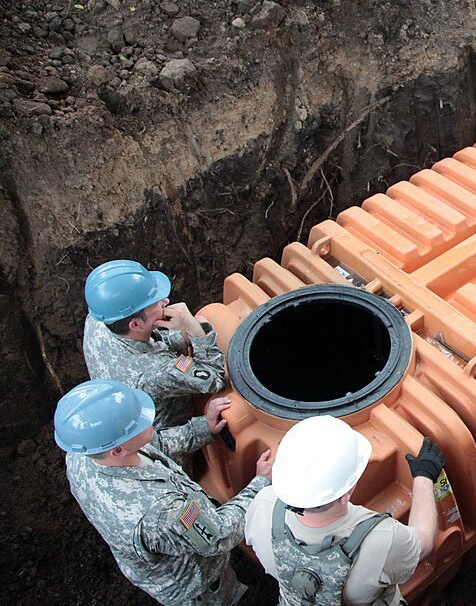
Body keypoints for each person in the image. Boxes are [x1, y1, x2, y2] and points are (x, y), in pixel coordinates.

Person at [55, 379, 274, 605]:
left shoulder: (87, 454)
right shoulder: (161, 512)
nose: (147, 416)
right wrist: (259, 484)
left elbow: (151, 446)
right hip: (195, 585)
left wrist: (202, 427)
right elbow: (218, 536)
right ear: (118, 449)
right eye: (138, 421)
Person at [244, 415, 445, 606]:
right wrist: (424, 476)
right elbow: (424, 543)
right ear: (345, 494)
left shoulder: (262, 505)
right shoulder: (381, 539)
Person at [83, 259, 226, 429]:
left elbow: (148, 342)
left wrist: (180, 337)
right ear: (135, 324)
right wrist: (195, 330)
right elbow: (216, 377)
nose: (165, 301)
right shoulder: (154, 372)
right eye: (156, 302)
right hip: (164, 439)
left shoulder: (102, 316)